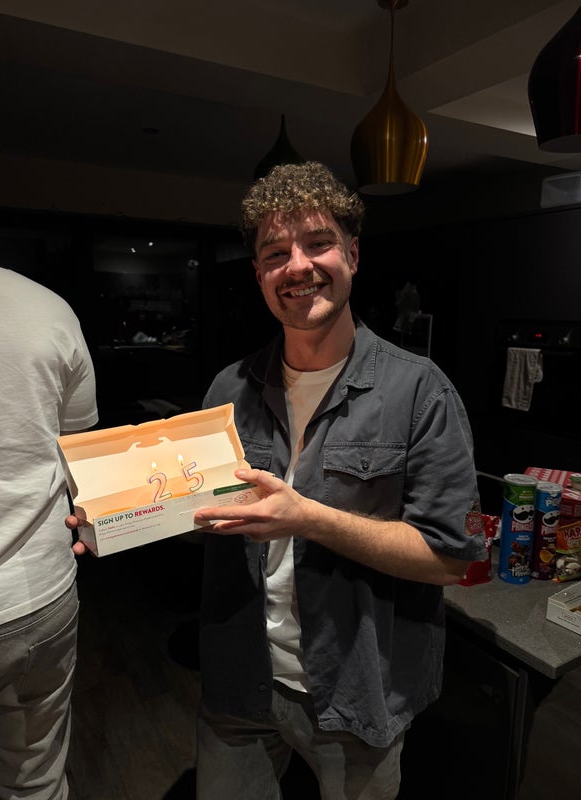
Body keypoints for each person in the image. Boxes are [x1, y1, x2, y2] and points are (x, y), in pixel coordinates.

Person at [67, 160, 485, 800]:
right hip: (238, 681)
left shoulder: (420, 392)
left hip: (358, 690)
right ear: (259, 274)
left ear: (352, 255)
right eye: (274, 253)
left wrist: (309, 519)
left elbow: (450, 559)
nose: (297, 266)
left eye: (317, 244)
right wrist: (120, 518)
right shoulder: (229, 388)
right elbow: (202, 518)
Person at [0, 205, 98, 800]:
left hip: (39, 597)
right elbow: (80, 450)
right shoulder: (48, 310)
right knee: (33, 780)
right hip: (33, 596)